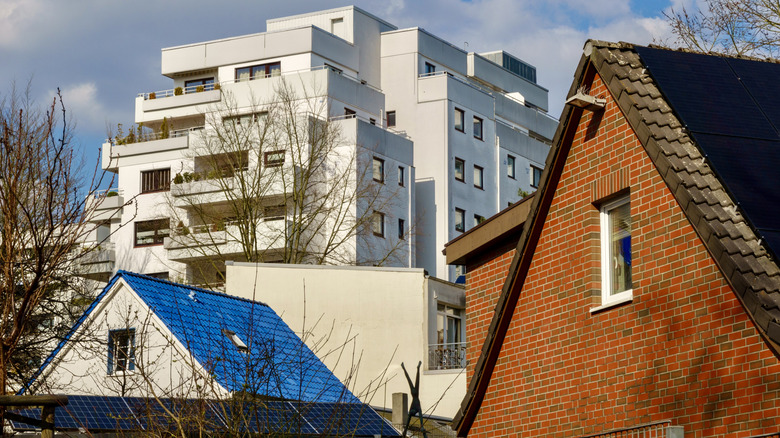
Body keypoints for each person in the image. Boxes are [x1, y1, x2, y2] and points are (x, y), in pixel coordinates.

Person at [401, 361, 428, 438]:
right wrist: (422, 426)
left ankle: (417, 368)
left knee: (413, 380)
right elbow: (420, 417)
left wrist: (418, 368)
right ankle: (417, 368)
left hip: (415, 401)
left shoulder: (415, 406)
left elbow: (418, 416)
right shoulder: (416, 406)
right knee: (413, 380)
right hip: (415, 400)